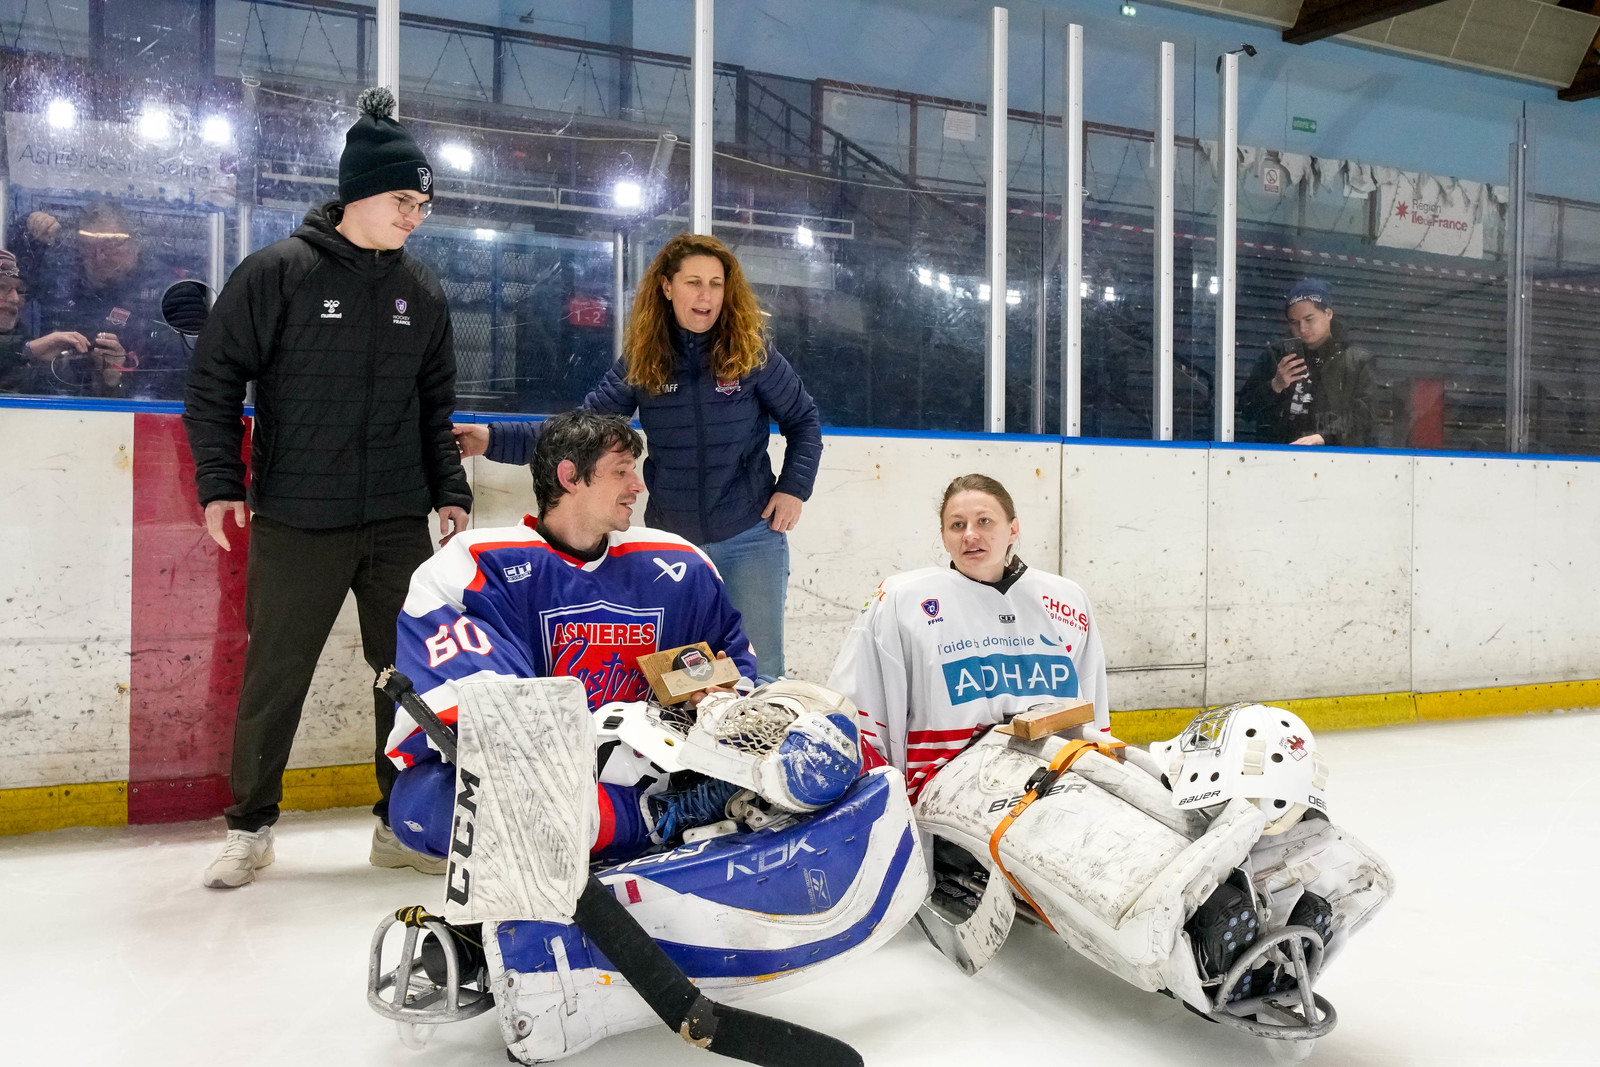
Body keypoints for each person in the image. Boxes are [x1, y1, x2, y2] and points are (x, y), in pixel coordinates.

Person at [183, 86, 471, 889]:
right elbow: (214, 381)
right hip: (297, 517)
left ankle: (398, 822)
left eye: (423, 205)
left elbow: (434, 405)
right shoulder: (280, 272)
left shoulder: (423, 290)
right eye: (403, 200)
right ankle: (250, 827)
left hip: (395, 521)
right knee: (275, 677)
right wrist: (220, 481)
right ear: (357, 193)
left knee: (407, 679)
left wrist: (448, 489)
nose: (415, 217)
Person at [383, 409, 761, 862]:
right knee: (427, 803)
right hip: (541, 775)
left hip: (656, 768)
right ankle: (653, 819)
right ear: (569, 476)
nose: (638, 486)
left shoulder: (679, 562)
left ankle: (641, 817)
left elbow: (733, 670)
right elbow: (488, 714)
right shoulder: (474, 565)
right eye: (621, 471)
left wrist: (720, 699)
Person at [453, 233, 822, 679]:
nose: (706, 296)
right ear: (667, 287)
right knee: (681, 679)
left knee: (760, 675)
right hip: (671, 546)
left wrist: (793, 488)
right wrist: (490, 439)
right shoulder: (645, 361)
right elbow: (576, 434)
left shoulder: (752, 354)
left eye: (716, 284)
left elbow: (804, 421)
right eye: (693, 282)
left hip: (750, 538)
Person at [827, 473, 1109, 802]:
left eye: (984, 521)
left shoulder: (1065, 600)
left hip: (1056, 778)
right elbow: (858, 704)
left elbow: (1091, 704)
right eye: (957, 525)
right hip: (948, 790)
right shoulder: (903, 599)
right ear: (944, 537)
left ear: (1013, 530)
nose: (970, 535)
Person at [20, 200, 172, 398]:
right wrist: (27, 229)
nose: (99, 257)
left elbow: (170, 383)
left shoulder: (161, 294)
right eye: (89, 246)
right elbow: (12, 284)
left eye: (110, 245)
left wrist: (118, 377)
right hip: (52, 402)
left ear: (135, 244)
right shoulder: (60, 282)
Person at [1238, 278, 1376, 447]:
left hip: (1336, 458)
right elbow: (1245, 411)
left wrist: (1326, 437)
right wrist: (1275, 386)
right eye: (1294, 322)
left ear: (1328, 313)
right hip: (1280, 456)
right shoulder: (1275, 356)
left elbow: (1365, 415)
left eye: (1309, 319)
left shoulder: (1356, 361)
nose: (1302, 328)